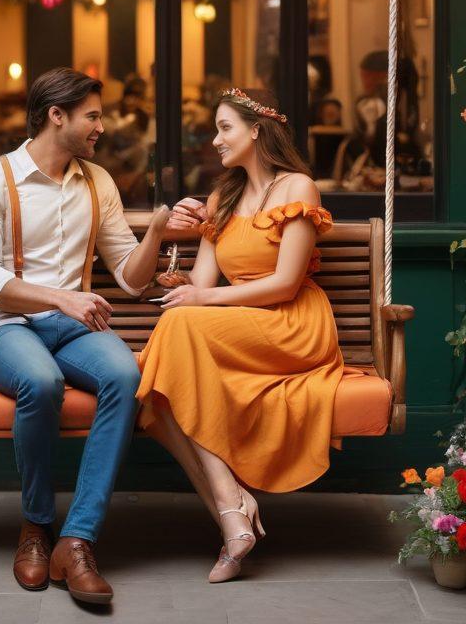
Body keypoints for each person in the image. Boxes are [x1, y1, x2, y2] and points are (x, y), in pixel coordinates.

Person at [0, 67, 198, 606]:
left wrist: (156, 229)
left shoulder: (97, 181)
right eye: (92, 115)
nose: (101, 127)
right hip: (4, 328)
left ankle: (78, 540)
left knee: (124, 374)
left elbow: (131, 282)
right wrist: (62, 297)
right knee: (40, 383)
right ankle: (36, 528)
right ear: (56, 116)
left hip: (71, 330)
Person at [140, 87, 352, 582]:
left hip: (292, 323)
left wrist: (199, 301)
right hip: (239, 324)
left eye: (225, 127)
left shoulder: (298, 188)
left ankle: (231, 504)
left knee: (165, 354)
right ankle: (232, 511)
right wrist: (180, 279)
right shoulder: (223, 196)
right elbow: (201, 285)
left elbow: (284, 284)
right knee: (162, 386)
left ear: (257, 130)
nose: (215, 139)